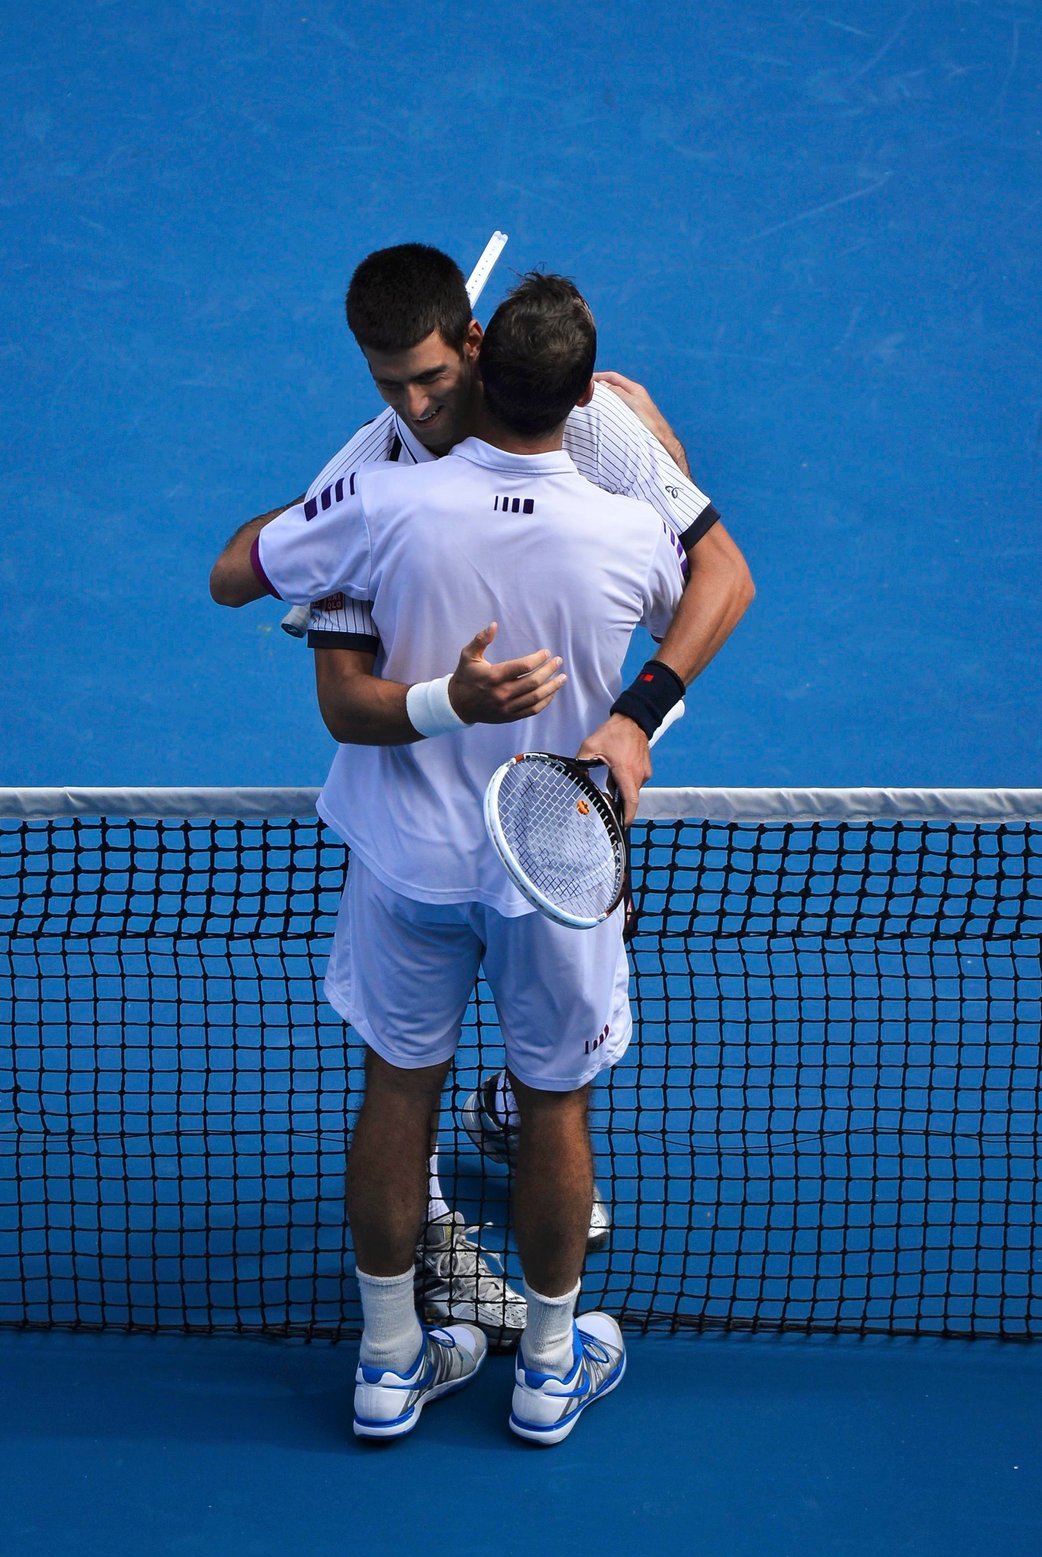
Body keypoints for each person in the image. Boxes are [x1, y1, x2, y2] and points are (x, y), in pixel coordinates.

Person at [211, 243, 754, 1346]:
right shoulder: (379, 474)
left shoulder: (596, 423)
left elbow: (710, 564)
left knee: (578, 924)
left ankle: (508, 1116)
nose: (413, 405)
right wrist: (332, 503)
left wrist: (634, 715)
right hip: (420, 824)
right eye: (387, 387)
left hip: (566, 789)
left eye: (429, 382)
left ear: (473, 348)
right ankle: (436, 1234)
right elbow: (238, 581)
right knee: (415, 1078)